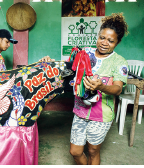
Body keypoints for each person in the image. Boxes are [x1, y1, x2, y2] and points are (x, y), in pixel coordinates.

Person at [40, 13, 129, 165]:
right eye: (102, 37)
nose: (104, 43)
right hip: (80, 111)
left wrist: (101, 86)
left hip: (101, 115)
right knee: (75, 152)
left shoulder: (119, 62)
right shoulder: (84, 53)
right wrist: (50, 63)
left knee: (93, 151)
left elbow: (117, 89)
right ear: (98, 35)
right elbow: (68, 69)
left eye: (110, 40)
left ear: (117, 42)